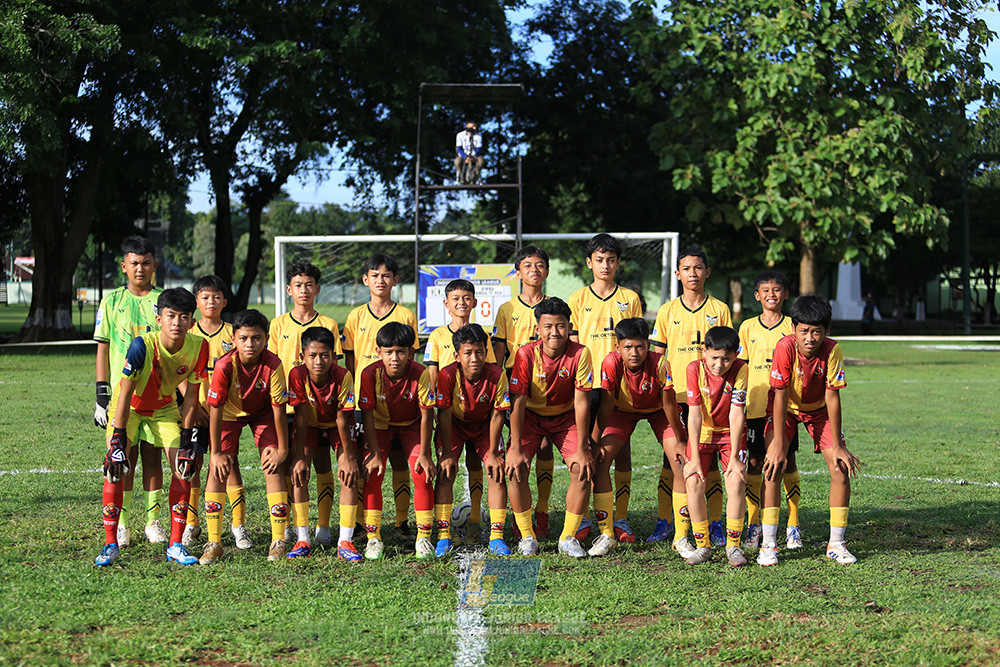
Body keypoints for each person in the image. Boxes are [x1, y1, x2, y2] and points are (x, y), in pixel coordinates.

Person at [95, 288, 209, 566]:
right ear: (159, 318)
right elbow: (124, 393)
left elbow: (192, 396)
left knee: (185, 467)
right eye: (170, 316)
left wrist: (188, 436)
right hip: (129, 410)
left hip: (164, 410)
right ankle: (111, 544)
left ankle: (176, 545)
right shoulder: (141, 346)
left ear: (192, 321)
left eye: (184, 317)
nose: (176, 322)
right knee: (116, 468)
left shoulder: (199, 347)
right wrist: (118, 437)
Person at [759, 294, 861, 566]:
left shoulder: (833, 350)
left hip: (819, 410)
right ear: (794, 329)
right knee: (773, 466)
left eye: (817, 331)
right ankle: (768, 544)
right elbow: (779, 396)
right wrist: (779, 443)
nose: (810, 337)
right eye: (803, 330)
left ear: (827, 331)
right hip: (787, 408)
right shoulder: (784, 347)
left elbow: (832, 397)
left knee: (839, 467)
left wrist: (838, 444)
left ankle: (836, 544)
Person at [649, 246, 732, 555]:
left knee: (707, 461)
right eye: (687, 268)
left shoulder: (720, 308)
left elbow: (726, 352)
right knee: (674, 460)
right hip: (677, 397)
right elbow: (658, 355)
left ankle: (713, 522)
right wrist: (659, 389)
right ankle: (666, 522)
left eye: (698, 268)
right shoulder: (668, 311)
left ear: (707, 272)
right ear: (678, 274)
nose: (693, 273)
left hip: (710, 398)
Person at [568, 233, 644, 544]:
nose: (605, 265)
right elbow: (572, 343)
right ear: (589, 263)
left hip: (619, 385)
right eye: (599, 260)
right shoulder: (577, 299)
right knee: (586, 450)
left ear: (618, 263)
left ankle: (621, 517)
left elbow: (636, 342)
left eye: (611, 260)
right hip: (586, 386)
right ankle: (587, 516)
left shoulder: (631, 298)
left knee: (620, 450)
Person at [588, 318, 686, 557]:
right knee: (600, 461)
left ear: (648, 346)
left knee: (681, 463)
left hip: (658, 412)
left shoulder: (661, 363)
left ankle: (681, 537)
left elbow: (669, 405)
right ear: (617, 347)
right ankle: (607, 533)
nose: (634, 352)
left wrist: (681, 441)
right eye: (628, 347)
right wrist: (594, 440)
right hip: (621, 413)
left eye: (640, 346)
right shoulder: (611, 362)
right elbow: (607, 404)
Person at [506, 297, 594, 558]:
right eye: (548, 326)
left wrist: (581, 448)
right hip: (531, 417)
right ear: (537, 329)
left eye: (560, 326)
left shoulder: (581, 353)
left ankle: (567, 538)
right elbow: (518, 403)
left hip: (565, 418)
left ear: (569, 327)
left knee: (582, 468)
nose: (554, 332)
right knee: (515, 467)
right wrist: (514, 447)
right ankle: (527, 536)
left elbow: (581, 403)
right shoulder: (525, 353)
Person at [93, 236, 165, 548]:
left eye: (146, 262)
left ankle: (152, 522)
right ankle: (121, 524)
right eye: (134, 263)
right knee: (121, 460)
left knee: (153, 459)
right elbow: (103, 346)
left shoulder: (164, 301)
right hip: (124, 398)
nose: (140, 268)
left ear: (154, 265)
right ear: (124, 267)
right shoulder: (110, 302)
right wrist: (101, 393)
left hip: (157, 396)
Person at [203, 309, 290, 563]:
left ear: (266, 338)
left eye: (256, 338)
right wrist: (216, 452)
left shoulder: (273, 364)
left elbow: (278, 411)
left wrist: (282, 450)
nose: (250, 344)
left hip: (263, 414)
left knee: (272, 464)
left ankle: (278, 540)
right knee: (218, 468)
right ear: (233, 338)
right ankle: (214, 541)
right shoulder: (224, 365)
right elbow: (215, 410)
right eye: (243, 338)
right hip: (229, 414)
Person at [342, 254, 419, 538]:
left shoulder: (406, 315)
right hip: (365, 401)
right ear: (366, 280)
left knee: (400, 461)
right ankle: (363, 522)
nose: (380, 280)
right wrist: (355, 393)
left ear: (395, 280)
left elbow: (412, 359)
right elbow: (349, 361)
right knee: (367, 462)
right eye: (375, 275)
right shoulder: (355, 316)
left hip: (400, 399)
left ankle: (401, 523)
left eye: (386, 276)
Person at [268, 261, 343, 545]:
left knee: (322, 464)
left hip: (320, 409)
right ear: (289, 290)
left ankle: (323, 526)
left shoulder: (329, 324)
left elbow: (333, 368)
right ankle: (288, 523)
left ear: (318, 289)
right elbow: (271, 365)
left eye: (309, 285)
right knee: (289, 465)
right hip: (287, 408)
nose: (304, 290)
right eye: (298, 285)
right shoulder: (278, 325)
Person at [423, 279, 497, 543]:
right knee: (445, 469)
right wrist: (433, 408)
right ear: (446, 303)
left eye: (466, 298)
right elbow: (432, 373)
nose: (461, 303)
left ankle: (476, 519)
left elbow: (489, 373)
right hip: (448, 410)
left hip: (478, 411)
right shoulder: (437, 336)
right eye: (455, 299)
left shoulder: (481, 336)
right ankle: (442, 531)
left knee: (478, 463)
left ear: (475, 302)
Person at [358, 322, 436, 559]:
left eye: (401, 352)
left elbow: (426, 414)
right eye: (389, 352)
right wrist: (374, 453)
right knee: (372, 472)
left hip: (412, 426)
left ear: (411, 353)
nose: (395, 358)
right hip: (380, 427)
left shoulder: (421, 373)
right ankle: (373, 537)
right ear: (379, 351)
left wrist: (425, 453)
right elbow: (368, 416)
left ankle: (423, 537)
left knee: (421, 472)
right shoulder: (369, 374)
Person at [493, 246, 555, 538]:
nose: (534, 270)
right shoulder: (508, 309)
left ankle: (541, 511)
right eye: (527, 265)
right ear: (517, 273)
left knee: (544, 447)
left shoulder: (555, 306)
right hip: (516, 384)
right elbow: (498, 350)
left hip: (549, 383)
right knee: (518, 448)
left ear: (547, 270)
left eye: (540, 265)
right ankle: (522, 515)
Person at [433, 324, 511, 557]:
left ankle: (497, 536)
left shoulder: (497, 375)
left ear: (486, 352)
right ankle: (444, 534)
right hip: (454, 426)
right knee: (445, 472)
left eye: (479, 351)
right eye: (468, 353)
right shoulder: (447, 375)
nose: (474, 358)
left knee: (497, 472)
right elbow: (444, 414)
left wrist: (495, 454)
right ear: (457, 355)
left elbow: (498, 413)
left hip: (484, 427)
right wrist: (447, 452)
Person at [286, 327, 362, 562]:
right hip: (308, 425)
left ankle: (345, 540)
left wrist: (347, 456)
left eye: (325, 355)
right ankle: (302, 538)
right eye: (313, 355)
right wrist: (299, 456)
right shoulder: (296, 374)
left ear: (333, 355)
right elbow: (299, 414)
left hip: (336, 425)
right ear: (302, 355)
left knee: (349, 473)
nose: (319, 361)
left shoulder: (343, 375)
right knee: (299, 472)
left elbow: (342, 417)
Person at [737, 271, 799, 550]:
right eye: (765, 290)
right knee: (755, 462)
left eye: (777, 290)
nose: (771, 295)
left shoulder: (794, 327)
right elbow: (740, 367)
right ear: (757, 295)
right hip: (755, 404)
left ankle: (793, 524)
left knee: (786, 461)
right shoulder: (748, 327)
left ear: (786, 294)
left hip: (785, 408)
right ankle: (754, 523)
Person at [682, 326, 749, 567]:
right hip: (702, 434)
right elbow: (694, 414)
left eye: (726, 359)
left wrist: (734, 459)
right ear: (704, 352)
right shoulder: (694, 368)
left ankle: (733, 546)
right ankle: (702, 546)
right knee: (693, 480)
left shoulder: (741, 368)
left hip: (731, 434)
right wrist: (695, 458)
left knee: (735, 480)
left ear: (736, 354)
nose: (719, 365)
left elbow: (737, 412)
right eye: (714, 358)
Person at [184, 275, 239, 549]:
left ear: (224, 302)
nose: (211, 302)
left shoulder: (233, 333)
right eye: (205, 297)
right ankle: (192, 524)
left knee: (227, 464)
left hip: (226, 412)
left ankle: (237, 526)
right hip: (196, 410)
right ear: (196, 302)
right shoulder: (189, 333)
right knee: (193, 464)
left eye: (216, 297)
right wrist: (192, 406)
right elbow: (181, 372)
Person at [454, 120, 484, 184]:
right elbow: (459, 148)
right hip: (463, 156)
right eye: (473, 126)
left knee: (481, 161)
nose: (474, 128)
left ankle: (474, 179)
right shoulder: (460, 135)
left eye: (475, 126)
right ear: (467, 126)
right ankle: (462, 178)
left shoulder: (478, 137)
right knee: (457, 161)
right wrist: (465, 157)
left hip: (474, 156)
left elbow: (478, 149)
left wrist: (474, 157)